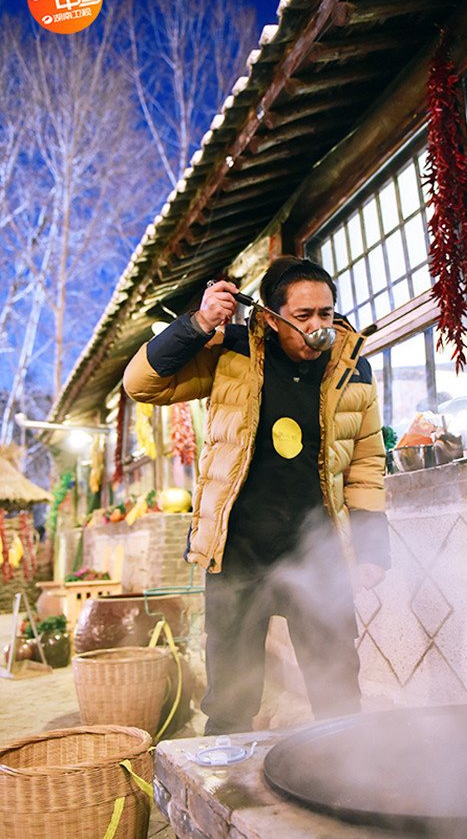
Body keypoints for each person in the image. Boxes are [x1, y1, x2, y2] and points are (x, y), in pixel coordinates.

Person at [123, 256, 390, 734]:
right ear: (270, 316)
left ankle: (347, 780)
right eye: (303, 316)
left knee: (339, 692)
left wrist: (371, 550)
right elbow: (141, 385)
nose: (318, 327)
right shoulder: (232, 350)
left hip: (318, 550)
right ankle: (225, 790)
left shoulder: (354, 368)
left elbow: (368, 466)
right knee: (230, 697)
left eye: (326, 314)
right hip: (239, 551)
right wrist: (200, 323)